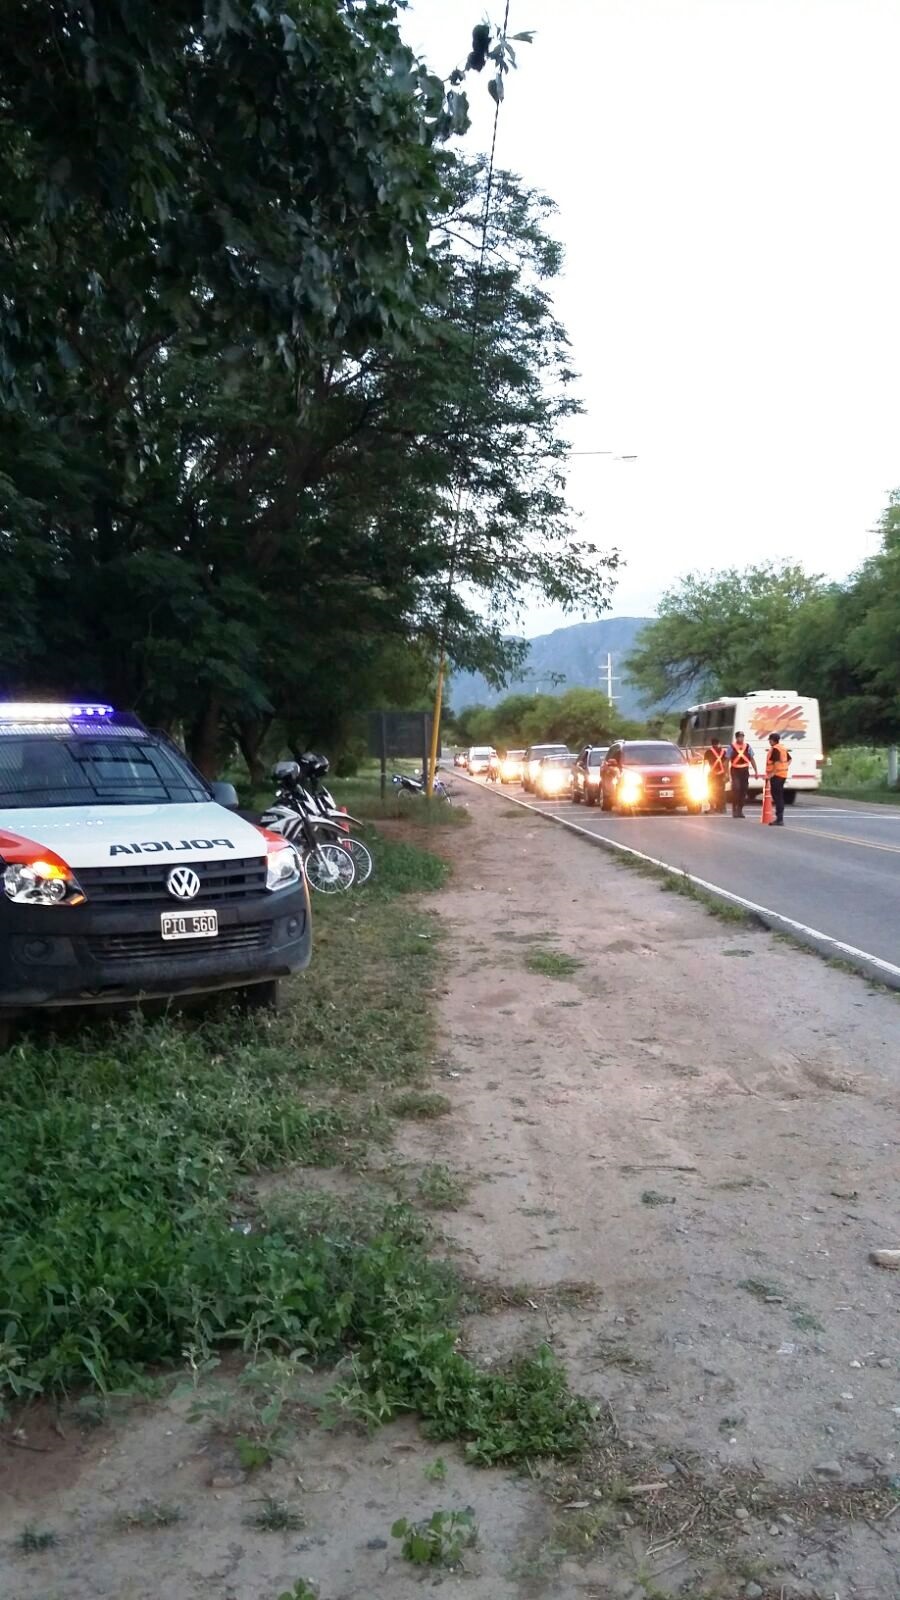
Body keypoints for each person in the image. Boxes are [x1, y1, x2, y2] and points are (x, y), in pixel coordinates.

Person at [727, 730, 757, 818]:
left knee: (743, 790)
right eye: (739, 737)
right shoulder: (731, 747)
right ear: (736, 738)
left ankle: (740, 810)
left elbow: (752, 759)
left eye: (742, 737)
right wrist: (726, 773)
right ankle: (734, 809)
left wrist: (756, 771)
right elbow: (727, 760)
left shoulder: (747, 747)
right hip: (735, 770)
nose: (741, 738)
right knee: (736, 789)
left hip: (744, 770)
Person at [766, 732, 791, 825]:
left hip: (777, 776)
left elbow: (776, 762)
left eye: (770, 740)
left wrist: (771, 774)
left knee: (777, 797)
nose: (769, 741)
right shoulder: (782, 748)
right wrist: (784, 767)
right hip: (783, 775)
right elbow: (790, 759)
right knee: (779, 797)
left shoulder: (776, 749)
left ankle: (779, 819)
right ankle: (779, 818)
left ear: (773, 740)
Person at [703, 738, 728, 813]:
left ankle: (712, 808)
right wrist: (726, 774)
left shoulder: (708, 752)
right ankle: (722, 808)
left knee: (711, 791)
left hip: (712, 775)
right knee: (721, 792)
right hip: (721, 774)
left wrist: (704, 773)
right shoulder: (724, 752)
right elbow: (726, 764)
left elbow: (705, 764)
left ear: (711, 744)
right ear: (719, 743)